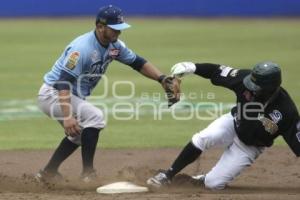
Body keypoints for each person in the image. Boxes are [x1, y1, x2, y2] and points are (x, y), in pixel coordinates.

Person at [35, 5, 170, 183]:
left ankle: (48, 172)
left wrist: (162, 79)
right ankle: (88, 174)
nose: (118, 33)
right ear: (100, 26)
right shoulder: (82, 48)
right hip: (53, 94)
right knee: (95, 117)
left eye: (120, 29)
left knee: (78, 134)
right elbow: (63, 82)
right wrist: (67, 116)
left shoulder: (115, 46)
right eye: (114, 29)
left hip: (67, 95)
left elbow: (138, 62)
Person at [147, 61, 300, 190]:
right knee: (205, 137)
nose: (249, 88)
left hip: (250, 145)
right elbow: (217, 71)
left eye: (255, 87)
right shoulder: (244, 79)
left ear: (269, 89)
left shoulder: (287, 112)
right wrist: (193, 67)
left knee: (213, 184)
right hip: (233, 122)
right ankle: (167, 175)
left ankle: (202, 179)